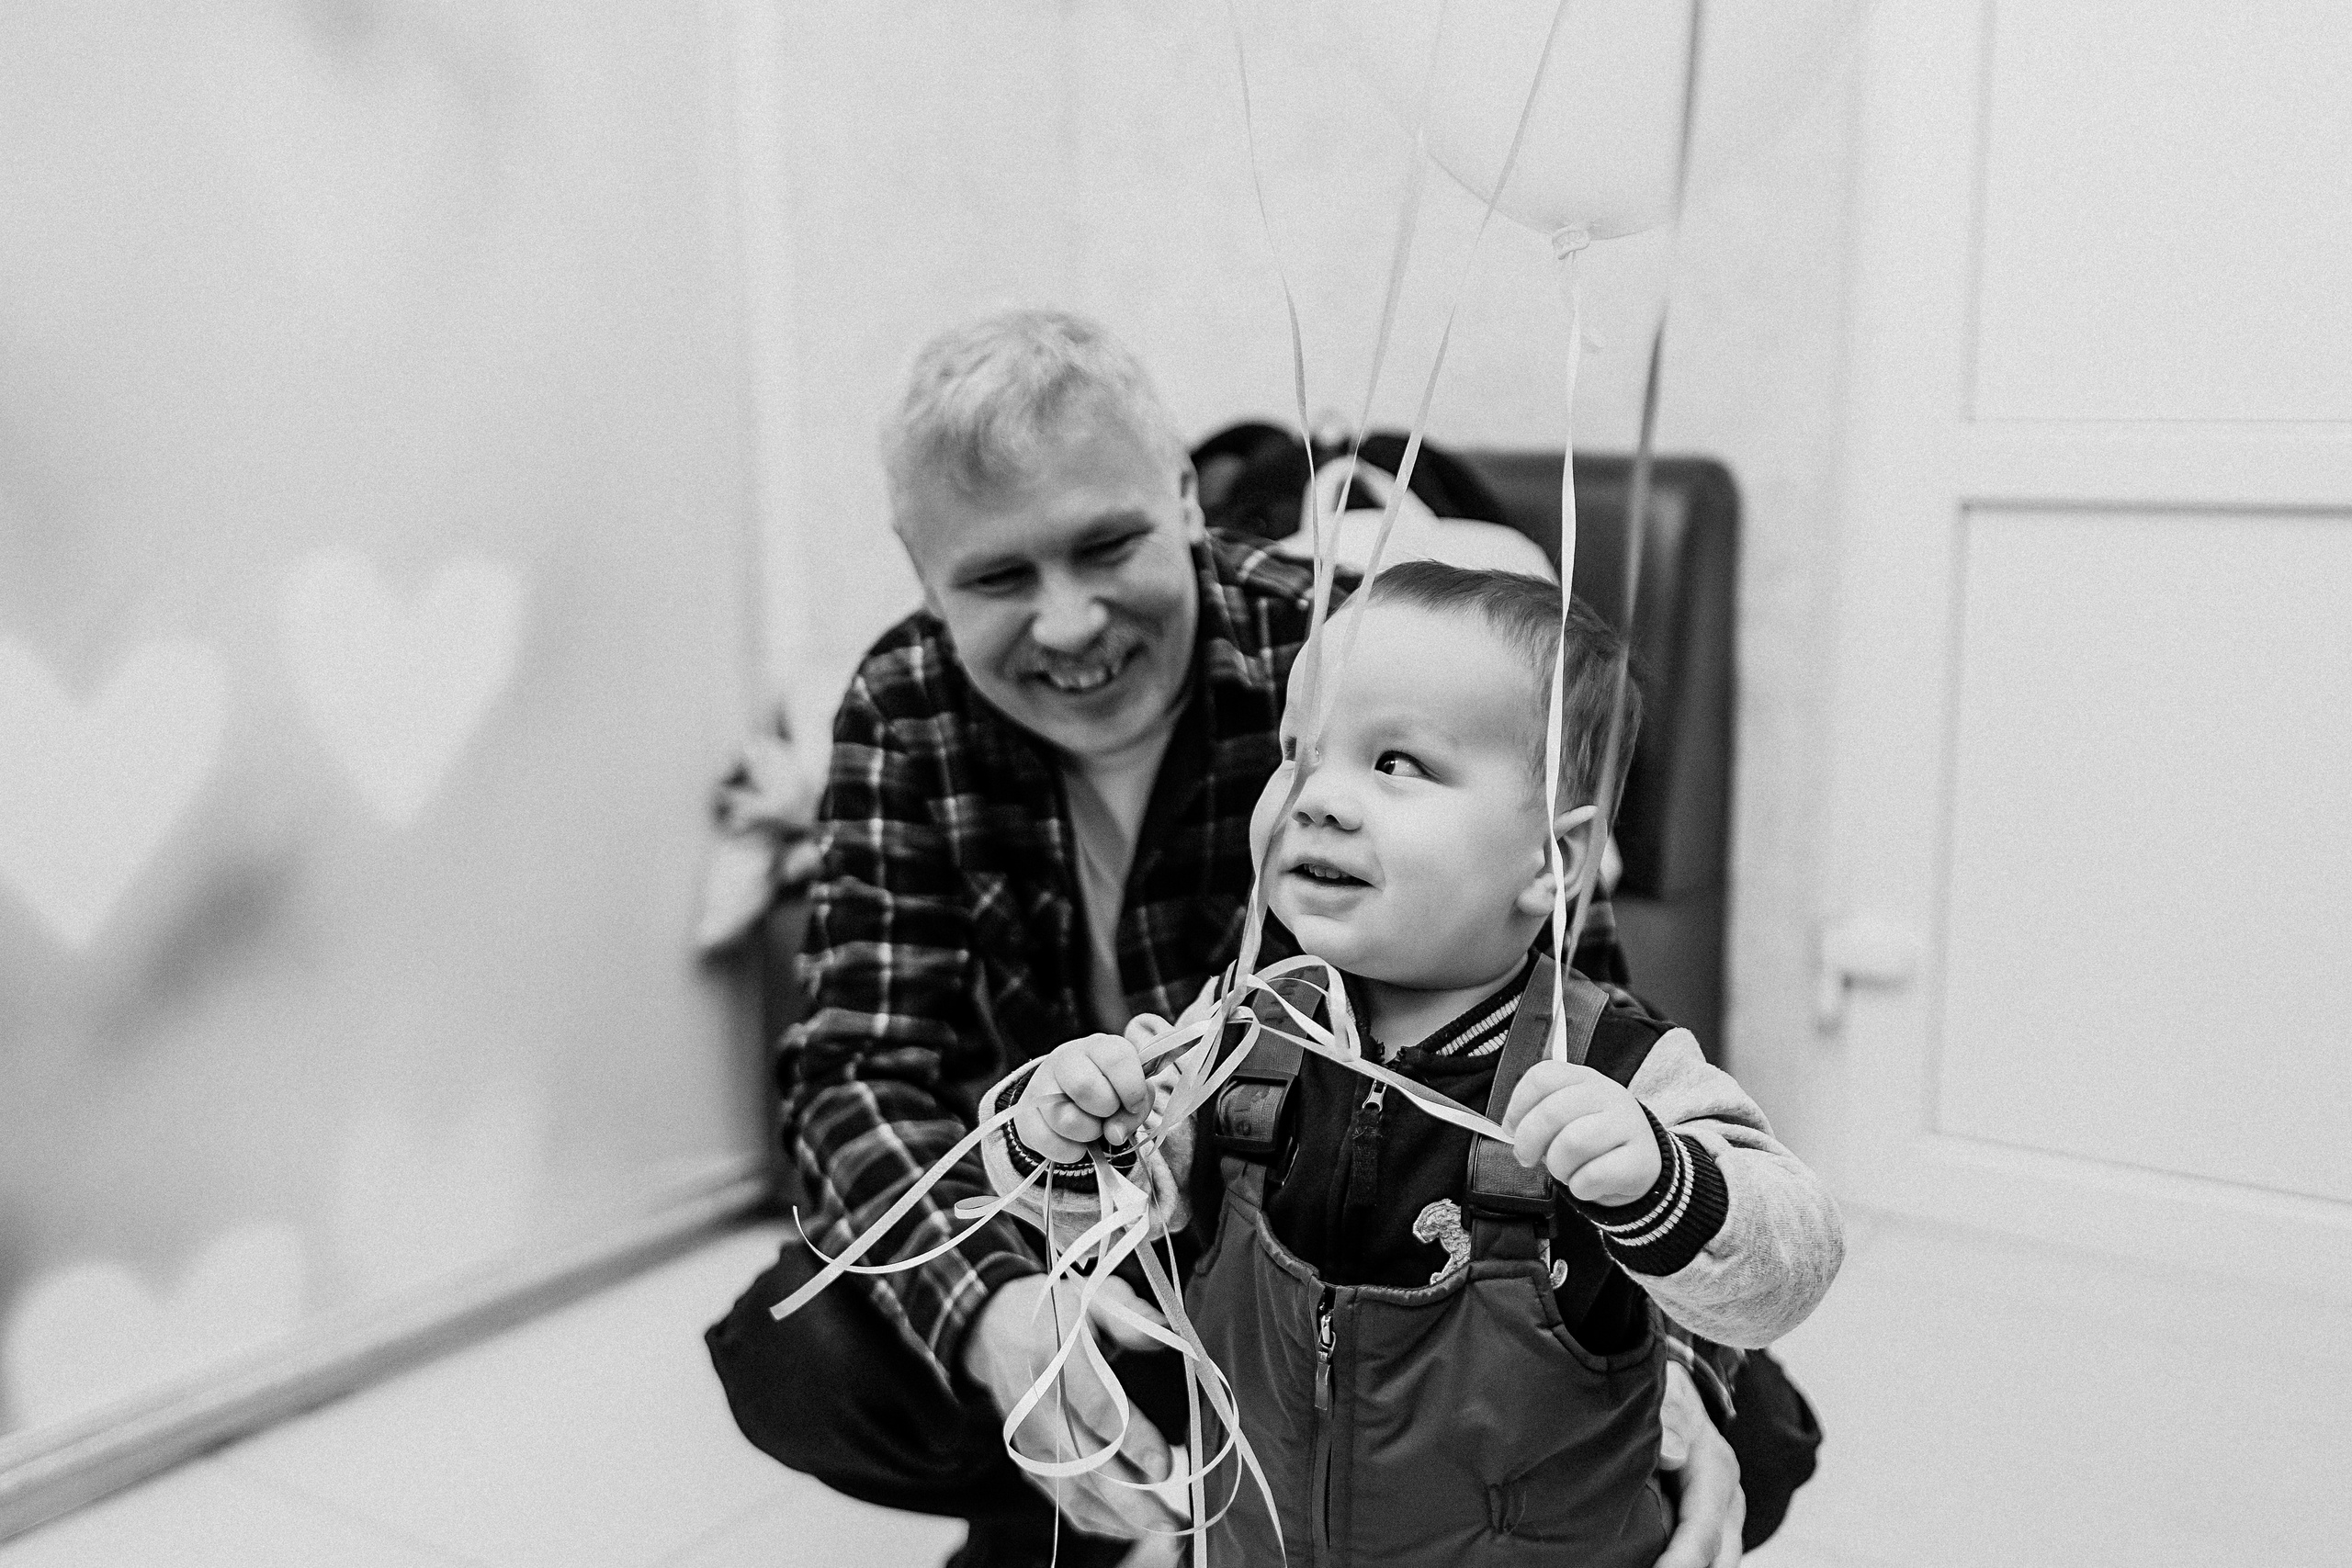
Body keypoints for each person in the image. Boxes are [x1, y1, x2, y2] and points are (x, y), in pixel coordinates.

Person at [706, 310, 1766, 1567]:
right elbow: (852, 1076)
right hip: (1135, 1280)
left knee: (1756, 1422)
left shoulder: (1330, 657)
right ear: (919, 566)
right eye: (995, 577)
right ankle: (1094, 1494)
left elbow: (1573, 1016)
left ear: (1187, 497)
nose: (1066, 624)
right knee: (792, 1339)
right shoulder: (901, 702)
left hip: (1406, 1304)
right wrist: (999, 1307)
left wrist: (1672, 1357)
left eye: (1109, 543)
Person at [984, 565, 1843, 1562]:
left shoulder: (1615, 1068)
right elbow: (1099, 1218)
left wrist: (1664, 1182)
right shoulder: (1243, 1030)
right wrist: (1066, 1139)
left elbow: (1791, 1266)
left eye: (1395, 762)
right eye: (1298, 751)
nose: (1316, 797)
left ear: (1551, 865)